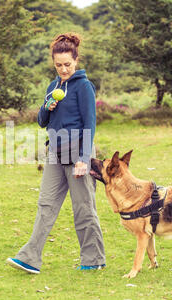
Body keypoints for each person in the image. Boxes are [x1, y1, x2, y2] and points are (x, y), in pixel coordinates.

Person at [6, 33, 106, 274]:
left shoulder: (84, 86)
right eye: (59, 65)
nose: (63, 69)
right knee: (46, 204)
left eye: (68, 65)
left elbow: (89, 124)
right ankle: (30, 258)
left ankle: (94, 259)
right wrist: (46, 106)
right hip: (55, 152)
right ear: (54, 63)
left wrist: (84, 159)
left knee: (83, 207)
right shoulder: (53, 86)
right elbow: (42, 121)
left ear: (76, 60)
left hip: (78, 151)